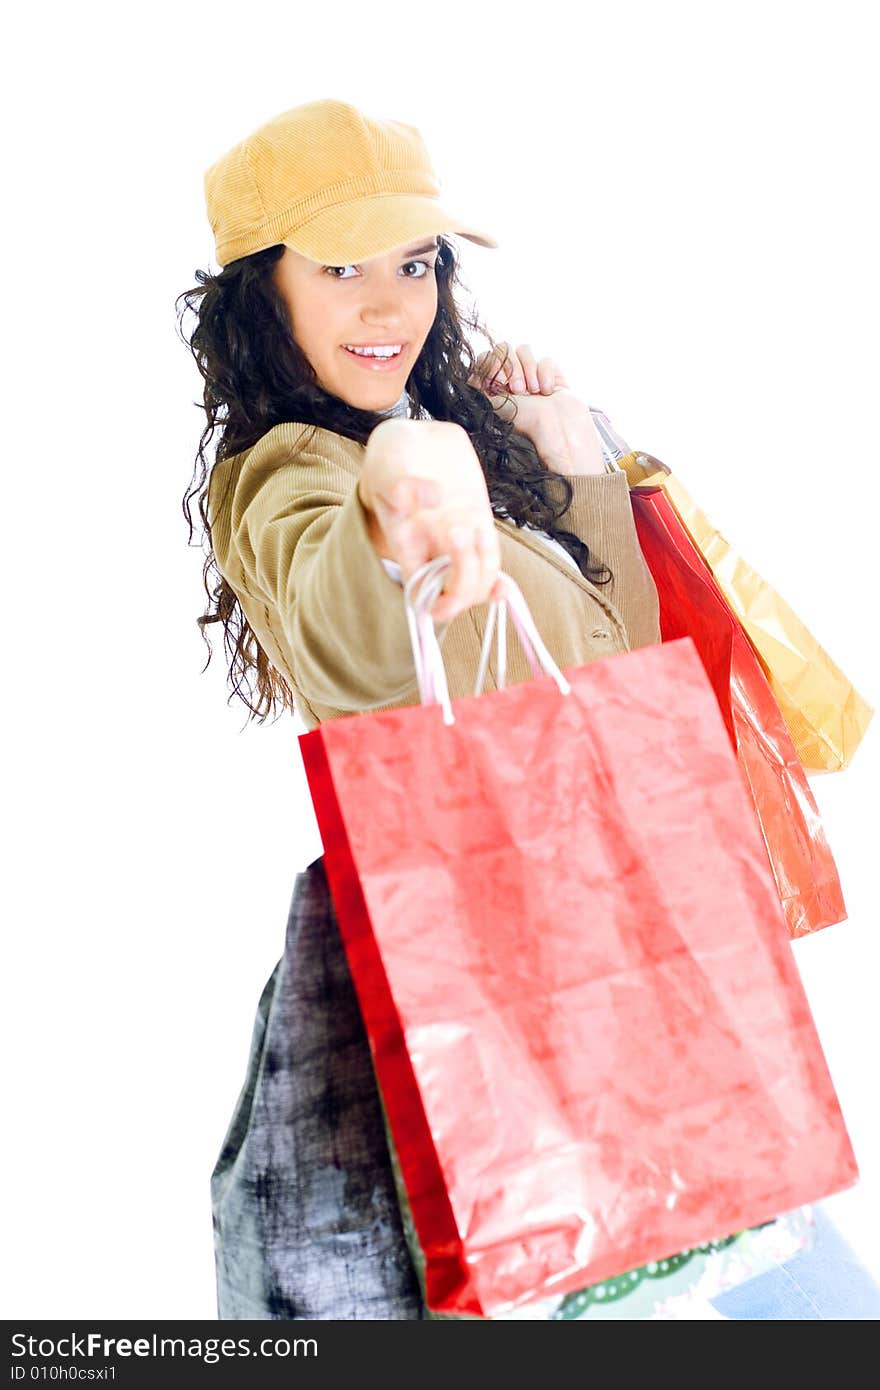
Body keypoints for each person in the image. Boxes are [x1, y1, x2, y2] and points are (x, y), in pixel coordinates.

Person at [177, 99, 879, 1321]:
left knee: (796, 1287)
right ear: (260, 293)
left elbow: (620, 671)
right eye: (339, 267)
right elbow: (358, 637)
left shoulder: (449, 434)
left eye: (413, 264)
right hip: (491, 980)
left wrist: (568, 466)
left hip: (613, 940)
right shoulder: (289, 474)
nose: (388, 304)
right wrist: (397, 496)